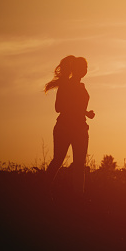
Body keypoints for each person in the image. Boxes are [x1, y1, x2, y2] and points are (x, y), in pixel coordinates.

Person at [44, 56, 95, 194]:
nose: (85, 70)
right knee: (58, 161)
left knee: (79, 165)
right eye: (82, 67)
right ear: (75, 69)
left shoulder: (81, 86)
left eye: (86, 68)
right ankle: (42, 191)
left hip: (80, 128)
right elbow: (58, 107)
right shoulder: (65, 85)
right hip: (64, 128)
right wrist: (79, 110)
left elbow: (76, 107)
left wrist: (86, 113)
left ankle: (78, 198)